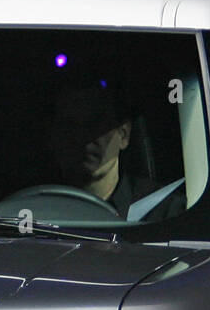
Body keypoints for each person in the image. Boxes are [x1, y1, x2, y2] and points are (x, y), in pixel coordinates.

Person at [49, 80, 184, 222]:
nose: (82, 136)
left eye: (95, 123)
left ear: (123, 134)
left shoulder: (163, 210)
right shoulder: (39, 211)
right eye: (70, 125)